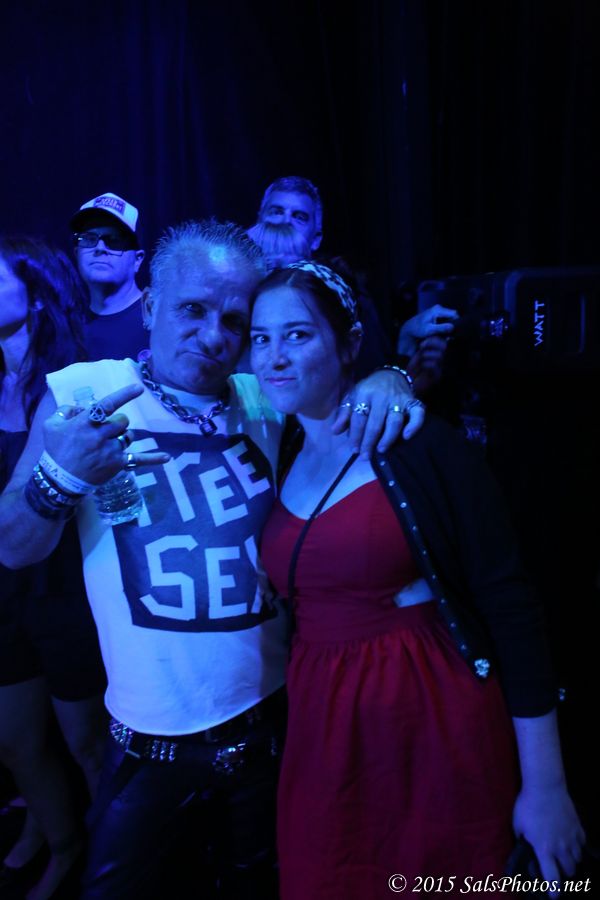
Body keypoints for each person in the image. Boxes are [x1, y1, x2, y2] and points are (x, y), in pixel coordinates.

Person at [0, 221, 420, 899]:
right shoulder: (86, 390)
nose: (213, 335)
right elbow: (11, 546)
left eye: (234, 320)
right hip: (149, 741)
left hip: (272, 724)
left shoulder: (265, 395)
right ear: (150, 308)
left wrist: (391, 376)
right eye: (193, 310)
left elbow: (350, 385)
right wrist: (60, 476)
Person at [249, 261, 585, 900]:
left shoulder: (418, 442)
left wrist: (546, 787)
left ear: (348, 342)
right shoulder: (279, 443)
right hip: (324, 730)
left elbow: (511, 606)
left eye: (298, 334)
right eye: (261, 338)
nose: (274, 357)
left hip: (426, 714)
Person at [0, 236, 108, 900]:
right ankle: (57, 837)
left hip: (63, 590)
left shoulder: (69, 381)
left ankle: (108, 863)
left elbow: (21, 505)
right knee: (14, 742)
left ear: (35, 297)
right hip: (4, 593)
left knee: (87, 746)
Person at [256, 175, 458, 388]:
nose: (285, 222)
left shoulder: (344, 297)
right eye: (276, 212)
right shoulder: (242, 290)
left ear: (316, 238)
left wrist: (405, 350)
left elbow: (371, 378)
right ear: (259, 221)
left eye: (299, 217)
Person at [70, 191, 148, 361]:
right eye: (89, 239)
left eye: (114, 240)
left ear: (137, 260)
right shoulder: (66, 327)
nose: (100, 248)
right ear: (77, 254)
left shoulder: (159, 320)